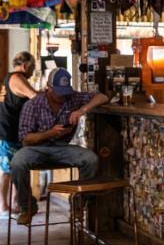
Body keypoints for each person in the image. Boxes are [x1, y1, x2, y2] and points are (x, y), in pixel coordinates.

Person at [11, 67, 109, 225]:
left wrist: (82, 110)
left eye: (64, 92)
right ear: (48, 88)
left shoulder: (72, 98)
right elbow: (26, 139)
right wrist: (49, 133)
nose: (62, 97)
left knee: (90, 159)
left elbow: (102, 97)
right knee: (17, 162)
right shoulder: (33, 105)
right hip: (36, 148)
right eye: (58, 92)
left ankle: (78, 204)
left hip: (62, 148)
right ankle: (27, 206)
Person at [0, 51, 38, 219]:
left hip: (11, 131)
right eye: (33, 67)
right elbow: (35, 97)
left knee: (16, 168)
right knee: (6, 170)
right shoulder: (17, 78)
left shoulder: (12, 77)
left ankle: (17, 206)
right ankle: (2, 209)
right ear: (25, 65)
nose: (33, 71)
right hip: (5, 132)